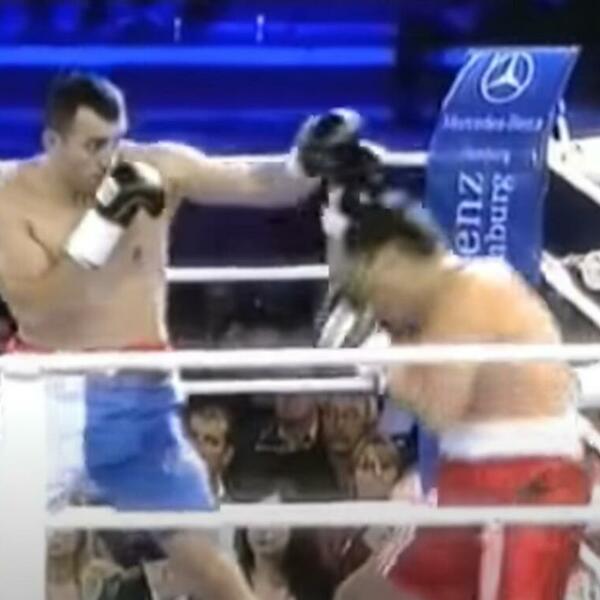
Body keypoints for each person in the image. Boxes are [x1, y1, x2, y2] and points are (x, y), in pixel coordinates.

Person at [0, 72, 315, 600]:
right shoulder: (10, 197)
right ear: (52, 141)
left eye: (116, 140)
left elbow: (258, 182)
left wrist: (307, 163)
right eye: (93, 145)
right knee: (10, 568)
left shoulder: (154, 169)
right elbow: (40, 309)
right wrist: (101, 229)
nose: (108, 159)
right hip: (42, 394)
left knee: (214, 569)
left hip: (138, 402)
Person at [293, 110, 591, 600]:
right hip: (464, 485)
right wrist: (341, 186)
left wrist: (384, 355)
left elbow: (439, 407)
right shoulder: (422, 301)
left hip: (526, 487)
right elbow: (356, 262)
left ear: (396, 266)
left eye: (376, 293)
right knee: (358, 595)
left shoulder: (473, 291)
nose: (375, 310)